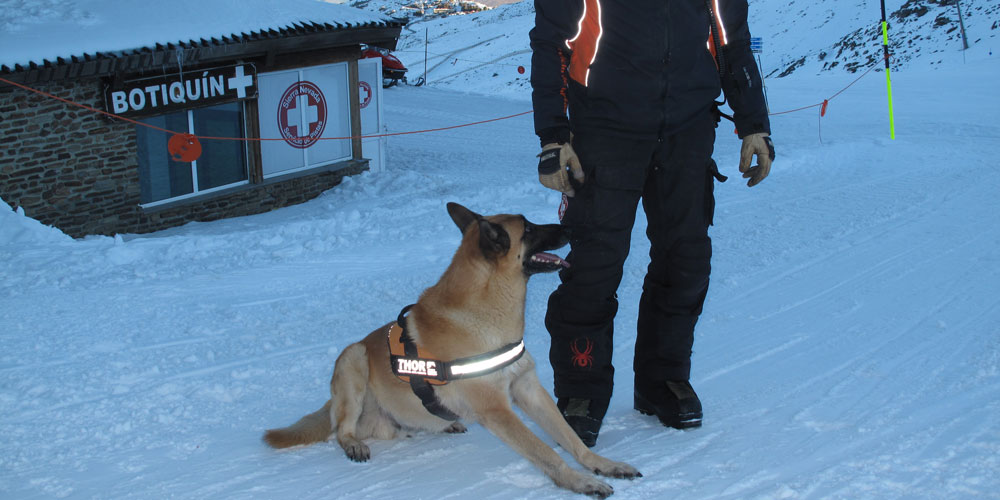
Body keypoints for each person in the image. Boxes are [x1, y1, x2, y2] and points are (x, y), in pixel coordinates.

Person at [529, 0, 775, 447]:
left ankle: (663, 382)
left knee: (686, 261)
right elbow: (550, 43)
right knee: (594, 268)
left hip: (688, 129)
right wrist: (552, 136)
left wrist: (754, 124)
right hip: (605, 131)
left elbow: (732, 42)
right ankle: (580, 393)